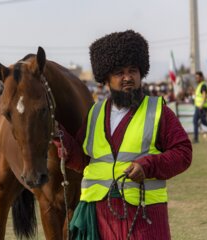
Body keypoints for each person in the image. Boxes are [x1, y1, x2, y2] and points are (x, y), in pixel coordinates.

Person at [53, 30, 192, 239]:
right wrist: (64, 143)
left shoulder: (158, 111)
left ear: (141, 73)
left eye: (133, 71)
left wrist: (148, 166)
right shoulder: (95, 113)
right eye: (119, 73)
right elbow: (85, 161)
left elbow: (184, 153)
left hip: (145, 215)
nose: (128, 78)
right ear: (106, 79)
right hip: (100, 215)